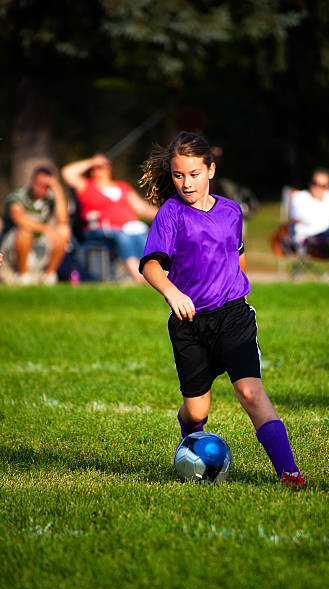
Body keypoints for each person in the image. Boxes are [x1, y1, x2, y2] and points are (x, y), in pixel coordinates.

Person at [138, 131, 305, 488]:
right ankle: (191, 441)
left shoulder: (231, 211)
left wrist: (238, 285)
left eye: (194, 174)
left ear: (210, 170)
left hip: (232, 316)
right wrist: (172, 292)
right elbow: (151, 266)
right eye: (178, 175)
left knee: (249, 393)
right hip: (189, 323)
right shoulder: (171, 214)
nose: (186, 183)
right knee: (197, 411)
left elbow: (237, 254)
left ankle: (289, 473)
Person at [61, 154, 157, 284]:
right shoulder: (85, 186)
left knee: (145, 237)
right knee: (122, 236)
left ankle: (152, 273)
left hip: (130, 228)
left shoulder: (122, 187)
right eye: (97, 167)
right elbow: (67, 173)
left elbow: (142, 209)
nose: (100, 170)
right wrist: (92, 161)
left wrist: (166, 215)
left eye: (103, 166)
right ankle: (138, 277)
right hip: (98, 229)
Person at [1, 166, 71, 284]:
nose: (42, 188)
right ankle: (23, 276)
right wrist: (47, 230)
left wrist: (57, 189)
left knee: (64, 230)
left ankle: (49, 276)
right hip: (12, 245)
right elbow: (19, 218)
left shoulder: (50, 198)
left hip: (39, 244)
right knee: (25, 230)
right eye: (40, 183)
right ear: (32, 182)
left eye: (46, 185)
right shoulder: (18, 196)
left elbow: (63, 220)